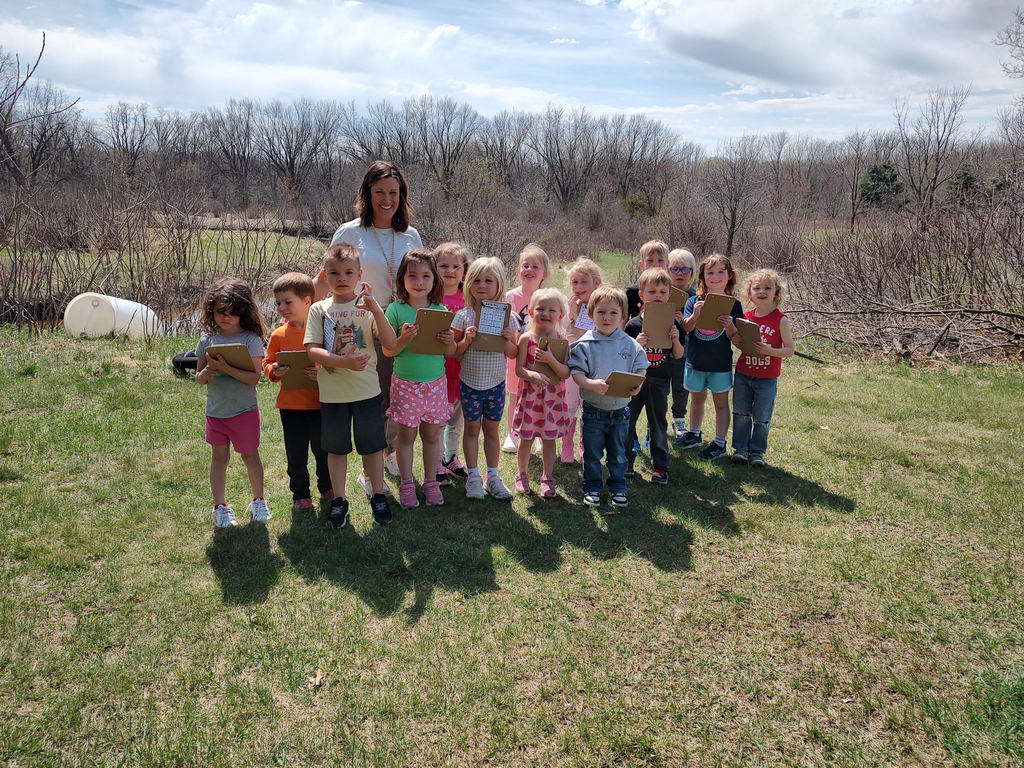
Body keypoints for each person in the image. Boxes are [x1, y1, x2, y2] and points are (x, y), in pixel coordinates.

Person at [321, 161, 423, 477]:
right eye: (379, 192)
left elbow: (422, 276)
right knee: (374, 399)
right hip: (363, 328)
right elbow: (328, 275)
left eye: (393, 192)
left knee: (400, 395)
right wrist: (298, 315)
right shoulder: (350, 232)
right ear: (367, 193)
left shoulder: (410, 235)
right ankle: (371, 466)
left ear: (402, 195)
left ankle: (390, 452)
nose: (387, 199)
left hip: (402, 327)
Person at [305, 244, 397, 528]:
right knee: (337, 449)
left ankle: (378, 494)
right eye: (334, 272)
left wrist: (375, 309)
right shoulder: (319, 309)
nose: (341, 278)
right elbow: (312, 350)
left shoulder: (367, 307)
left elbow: (391, 343)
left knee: (372, 447)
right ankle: (340, 500)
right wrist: (340, 362)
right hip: (333, 395)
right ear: (325, 275)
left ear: (359, 275)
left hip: (367, 392)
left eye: (348, 273)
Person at [382, 249, 457, 509]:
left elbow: (450, 352)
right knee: (406, 436)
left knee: (432, 435)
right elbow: (389, 350)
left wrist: (449, 342)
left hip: (435, 384)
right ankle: (406, 483)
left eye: (426, 276)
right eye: (412, 275)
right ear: (402, 279)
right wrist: (403, 337)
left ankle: (430, 481)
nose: (419, 282)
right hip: (405, 384)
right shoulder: (394, 310)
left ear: (434, 280)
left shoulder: (440, 310)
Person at [194, 277, 270, 528]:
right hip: (216, 412)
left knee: (250, 456)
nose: (226, 318)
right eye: (220, 312)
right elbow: (199, 378)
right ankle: (220, 507)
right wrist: (206, 374)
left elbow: (254, 378)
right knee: (219, 459)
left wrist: (226, 367)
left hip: (244, 412)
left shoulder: (251, 340)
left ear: (243, 312)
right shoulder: (207, 339)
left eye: (232, 313)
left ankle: (259, 500)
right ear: (211, 311)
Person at [568, 285, 649, 510]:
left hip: (621, 411)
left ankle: (618, 487)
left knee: (619, 454)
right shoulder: (585, 344)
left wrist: (636, 385)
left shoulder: (630, 345)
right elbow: (577, 374)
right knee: (592, 453)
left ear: (623, 316)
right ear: (591, 314)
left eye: (613, 313)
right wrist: (590, 384)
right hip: (593, 409)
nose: (607, 317)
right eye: (601, 312)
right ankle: (592, 487)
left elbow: (641, 368)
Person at [263, 272, 332, 514]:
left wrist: (322, 371)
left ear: (307, 302)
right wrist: (274, 370)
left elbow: (334, 361)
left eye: (287, 302)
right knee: (296, 456)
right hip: (291, 406)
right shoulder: (278, 335)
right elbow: (268, 362)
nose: (282, 308)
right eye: (278, 303)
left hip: (321, 403)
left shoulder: (324, 328)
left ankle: (328, 488)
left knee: (324, 451)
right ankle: (300, 495)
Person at [452, 257, 520, 500]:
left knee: (491, 430)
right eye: (477, 280)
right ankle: (473, 476)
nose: (482, 285)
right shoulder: (463, 316)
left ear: (499, 284)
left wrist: (508, 341)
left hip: (496, 385)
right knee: (471, 429)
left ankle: (493, 476)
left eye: (488, 281)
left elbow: (513, 354)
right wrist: (466, 340)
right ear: (468, 284)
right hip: (470, 384)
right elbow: (455, 354)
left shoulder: (509, 318)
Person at [678, 254, 744, 460]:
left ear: (729, 276)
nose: (715, 277)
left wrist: (729, 325)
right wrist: (696, 315)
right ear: (703, 277)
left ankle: (719, 443)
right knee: (697, 399)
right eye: (710, 273)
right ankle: (694, 434)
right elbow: (686, 329)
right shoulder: (693, 301)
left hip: (720, 364)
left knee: (721, 403)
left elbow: (736, 337)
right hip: (696, 361)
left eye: (720, 272)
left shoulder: (734, 305)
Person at [624, 268, 684, 485]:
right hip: (635, 381)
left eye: (662, 291)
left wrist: (676, 340)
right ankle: (626, 461)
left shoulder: (674, 324)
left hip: (659, 382)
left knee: (658, 424)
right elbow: (624, 358)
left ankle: (660, 467)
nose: (657, 296)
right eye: (652, 292)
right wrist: (635, 345)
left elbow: (679, 355)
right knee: (627, 422)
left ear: (669, 295)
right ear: (641, 295)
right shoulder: (633, 326)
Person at [731, 268, 795, 466]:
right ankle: (741, 449)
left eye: (768, 288)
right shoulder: (746, 317)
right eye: (756, 288)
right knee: (741, 413)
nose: (762, 291)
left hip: (767, 377)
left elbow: (790, 350)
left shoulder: (780, 319)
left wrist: (770, 351)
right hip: (743, 373)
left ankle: (757, 452)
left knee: (761, 417)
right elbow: (739, 343)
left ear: (776, 292)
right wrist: (736, 339)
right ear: (749, 292)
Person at [512, 288, 571, 498]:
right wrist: (532, 375)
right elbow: (519, 368)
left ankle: (547, 477)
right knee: (526, 438)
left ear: (560, 315)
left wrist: (550, 360)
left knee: (549, 439)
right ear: (530, 311)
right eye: (540, 309)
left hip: (552, 399)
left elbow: (565, 372)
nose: (545, 314)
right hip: (530, 397)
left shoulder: (562, 341)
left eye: (551, 310)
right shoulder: (526, 338)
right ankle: (522, 475)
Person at [502, 243, 551, 453]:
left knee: (541, 393)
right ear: (518, 270)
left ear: (545, 273)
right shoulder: (510, 297)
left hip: (540, 355)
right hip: (516, 354)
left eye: (535, 266)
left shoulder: (549, 295)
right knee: (515, 393)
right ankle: (512, 433)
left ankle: (539, 433)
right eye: (525, 265)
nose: (529, 270)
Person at [433, 242, 471, 486]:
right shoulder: (430, 296)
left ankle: (451, 457)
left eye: (455, 266)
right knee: (437, 419)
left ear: (464, 271)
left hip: (462, 367)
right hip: (436, 369)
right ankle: (435, 462)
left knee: (456, 419)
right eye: (443, 265)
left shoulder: (469, 297)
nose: (449, 271)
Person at [563, 257, 604, 463]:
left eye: (583, 282)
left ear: (596, 283)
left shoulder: (603, 307)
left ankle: (584, 446)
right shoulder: (569, 307)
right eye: (574, 282)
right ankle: (567, 444)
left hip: (594, 365)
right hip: (572, 365)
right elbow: (565, 334)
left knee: (588, 405)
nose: (578, 287)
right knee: (570, 405)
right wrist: (571, 314)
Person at [667, 248, 697, 440]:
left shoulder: (696, 296)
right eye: (675, 269)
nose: (679, 274)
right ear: (667, 271)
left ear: (692, 273)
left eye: (685, 270)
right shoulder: (661, 291)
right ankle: (656, 422)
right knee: (659, 388)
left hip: (684, 350)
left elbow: (699, 327)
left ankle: (679, 420)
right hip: (661, 348)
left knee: (681, 388)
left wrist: (685, 319)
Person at [626, 240, 669, 320]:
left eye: (660, 260)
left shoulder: (670, 291)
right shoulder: (632, 292)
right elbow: (623, 321)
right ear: (642, 265)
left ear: (667, 264)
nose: (655, 264)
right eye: (650, 260)